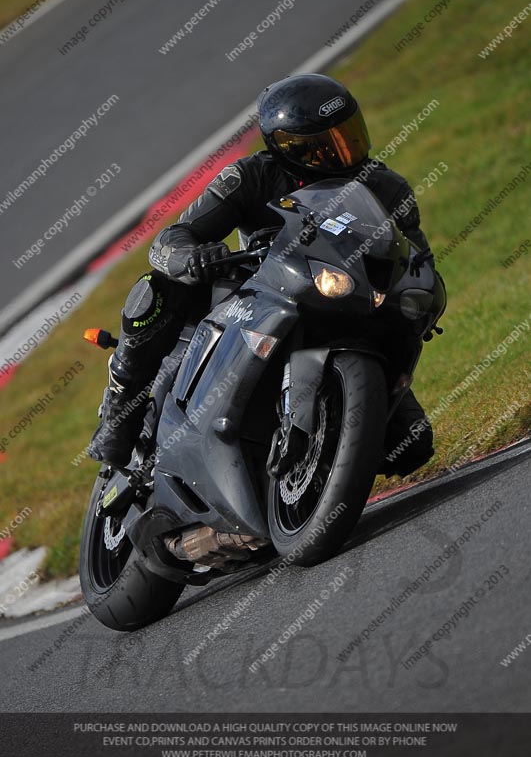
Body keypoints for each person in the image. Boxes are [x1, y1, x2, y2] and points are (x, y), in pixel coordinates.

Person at [88, 73, 434, 476]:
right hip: (258, 293)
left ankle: (312, 477)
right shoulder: (250, 176)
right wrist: (191, 257)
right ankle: (120, 410)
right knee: (155, 291)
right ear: (285, 147)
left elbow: (417, 257)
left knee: (410, 446)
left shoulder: (386, 187)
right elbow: (169, 240)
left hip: (344, 301)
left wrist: (420, 293)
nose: (342, 152)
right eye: (323, 145)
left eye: (347, 135)